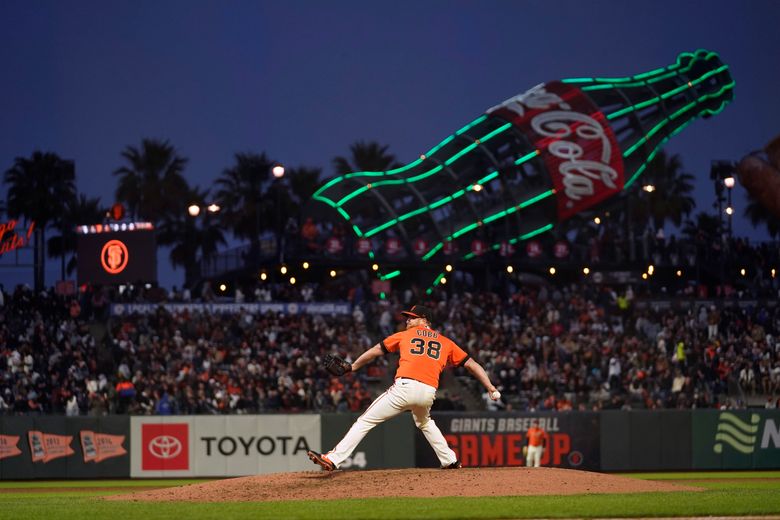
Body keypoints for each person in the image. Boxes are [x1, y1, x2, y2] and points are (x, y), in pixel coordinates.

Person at [307, 304, 500, 471]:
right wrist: (490, 386)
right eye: (407, 318)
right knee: (424, 422)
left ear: (424, 320)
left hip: (405, 387)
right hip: (428, 393)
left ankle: (332, 459)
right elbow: (472, 364)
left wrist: (354, 366)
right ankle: (450, 460)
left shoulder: (405, 336)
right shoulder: (446, 342)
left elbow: (376, 350)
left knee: (365, 421)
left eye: (412, 318)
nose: (407, 320)